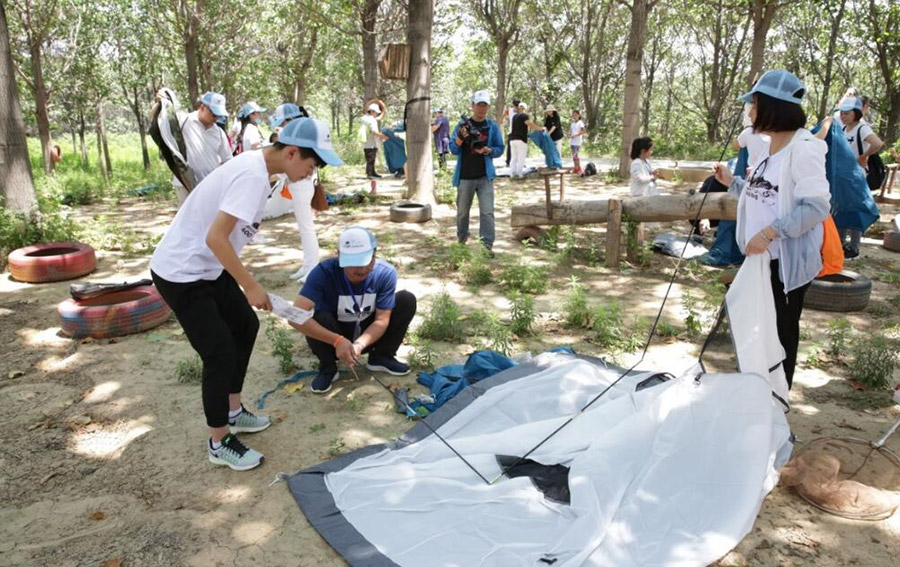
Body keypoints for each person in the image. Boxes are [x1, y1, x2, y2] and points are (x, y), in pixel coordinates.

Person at [149, 118, 344, 471]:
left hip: (208, 268)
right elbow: (215, 238)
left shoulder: (263, 172)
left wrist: (243, 283)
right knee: (219, 350)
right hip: (181, 273)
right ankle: (219, 440)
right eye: (311, 166)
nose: (309, 175)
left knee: (245, 326)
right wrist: (250, 284)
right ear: (292, 152)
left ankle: (234, 411)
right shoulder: (252, 175)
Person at [713, 69, 830, 389]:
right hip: (760, 259)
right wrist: (732, 182)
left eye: (754, 104)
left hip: (784, 264)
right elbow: (763, 192)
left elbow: (817, 207)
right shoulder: (767, 147)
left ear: (772, 107)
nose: (749, 111)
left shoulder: (804, 148)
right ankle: (757, 395)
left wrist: (768, 233)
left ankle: (776, 406)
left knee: (780, 337)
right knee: (757, 331)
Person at [290, 227, 417, 394]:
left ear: (374, 254)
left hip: (367, 336)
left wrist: (360, 344)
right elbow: (294, 317)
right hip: (333, 337)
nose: (362, 269)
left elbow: (381, 320)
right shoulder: (323, 272)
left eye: (368, 261)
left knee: (406, 300)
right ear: (340, 255)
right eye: (355, 263)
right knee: (317, 316)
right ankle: (328, 367)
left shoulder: (385, 273)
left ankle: (381, 356)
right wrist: (337, 341)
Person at [449, 90, 505, 253]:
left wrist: (489, 150)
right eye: (478, 105)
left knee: (487, 212)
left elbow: (500, 148)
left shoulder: (492, 126)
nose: (481, 109)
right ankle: (462, 240)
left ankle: (487, 246)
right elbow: (453, 149)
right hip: (465, 177)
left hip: (485, 176)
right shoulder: (461, 126)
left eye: (484, 106)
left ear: (488, 107)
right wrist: (460, 138)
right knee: (462, 212)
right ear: (472, 106)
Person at [175, 91, 233, 205]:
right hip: (186, 184)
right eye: (213, 114)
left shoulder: (219, 133)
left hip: (210, 186)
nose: (216, 118)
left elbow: (227, 160)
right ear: (202, 107)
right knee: (189, 219)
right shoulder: (184, 121)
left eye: (218, 115)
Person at [509, 102, 544, 178]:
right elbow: (529, 124)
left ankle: (512, 174)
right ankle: (519, 174)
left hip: (512, 139)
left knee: (514, 157)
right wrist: (540, 128)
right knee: (521, 157)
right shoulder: (524, 116)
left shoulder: (514, 116)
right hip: (521, 139)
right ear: (525, 109)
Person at [362, 102, 390, 179]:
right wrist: (383, 136)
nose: (376, 114)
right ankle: (370, 174)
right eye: (376, 112)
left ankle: (372, 172)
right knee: (371, 158)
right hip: (371, 142)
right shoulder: (371, 120)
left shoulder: (364, 118)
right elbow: (374, 132)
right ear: (372, 111)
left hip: (365, 141)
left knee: (370, 158)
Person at [503, 99, 521, 167]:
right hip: (511, 131)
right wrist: (502, 119)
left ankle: (519, 162)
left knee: (519, 148)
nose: (516, 107)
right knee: (510, 147)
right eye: (515, 105)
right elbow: (505, 113)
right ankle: (508, 162)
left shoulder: (520, 112)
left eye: (517, 106)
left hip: (519, 133)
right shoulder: (510, 110)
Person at [569, 110, 586, 174]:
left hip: (578, 142)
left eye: (576, 115)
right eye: (573, 115)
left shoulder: (580, 123)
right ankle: (575, 168)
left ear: (579, 115)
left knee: (576, 155)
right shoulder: (572, 124)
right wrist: (570, 135)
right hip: (572, 141)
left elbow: (583, 131)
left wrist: (576, 135)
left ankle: (579, 168)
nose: (574, 116)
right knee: (573, 155)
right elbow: (571, 132)